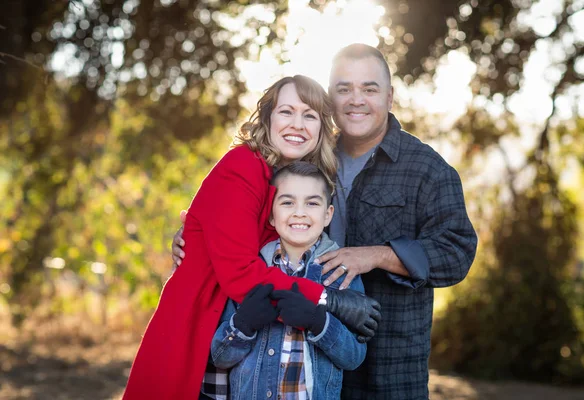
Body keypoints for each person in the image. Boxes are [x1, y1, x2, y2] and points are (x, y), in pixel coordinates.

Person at [173, 44, 478, 399]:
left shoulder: (427, 169)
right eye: (343, 89)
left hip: (388, 365)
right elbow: (254, 224)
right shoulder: (309, 157)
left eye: (369, 88)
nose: (356, 99)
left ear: (390, 96)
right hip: (304, 364)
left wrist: (376, 255)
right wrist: (197, 238)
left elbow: (456, 254)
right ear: (330, 99)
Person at [124, 75, 381, 400]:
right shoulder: (242, 166)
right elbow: (241, 276)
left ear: (321, 128)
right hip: (205, 320)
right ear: (268, 118)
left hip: (252, 333)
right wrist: (329, 300)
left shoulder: (295, 182)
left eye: (310, 115)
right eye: (286, 112)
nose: (297, 124)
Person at [211, 161, 366, 400]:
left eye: (312, 203)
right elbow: (220, 356)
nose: (299, 212)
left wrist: (319, 323)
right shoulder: (250, 269)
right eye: (287, 202)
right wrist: (243, 325)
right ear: (271, 215)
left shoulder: (340, 274)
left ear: (328, 215)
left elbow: (354, 357)